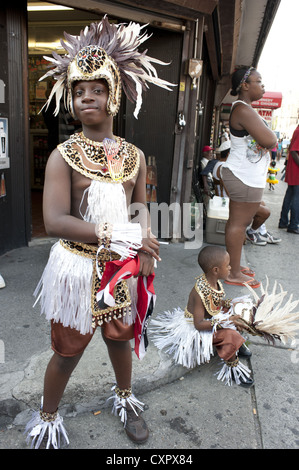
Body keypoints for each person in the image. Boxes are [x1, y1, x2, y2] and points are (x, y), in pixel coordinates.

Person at [25, 17, 174, 449]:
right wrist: (117, 234)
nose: (86, 96)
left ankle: (125, 397)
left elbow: (140, 204)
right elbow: (54, 221)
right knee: (67, 351)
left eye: (97, 88)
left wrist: (144, 240)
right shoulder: (62, 156)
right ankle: (48, 417)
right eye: (78, 89)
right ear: (69, 98)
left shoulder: (134, 155)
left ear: (115, 96)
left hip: (121, 269)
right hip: (76, 268)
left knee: (121, 340)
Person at [150, 245, 253, 387]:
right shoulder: (199, 292)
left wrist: (230, 304)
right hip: (197, 328)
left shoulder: (213, 282)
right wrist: (226, 321)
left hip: (211, 317)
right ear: (216, 270)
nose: (230, 268)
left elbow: (214, 302)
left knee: (240, 312)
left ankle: (237, 345)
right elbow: (198, 324)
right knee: (229, 334)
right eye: (227, 265)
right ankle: (234, 367)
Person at [220, 66, 277, 288]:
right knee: (238, 224)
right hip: (244, 177)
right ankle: (233, 272)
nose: (263, 86)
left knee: (238, 222)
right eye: (259, 81)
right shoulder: (243, 109)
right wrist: (268, 133)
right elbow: (270, 140)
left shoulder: (245, 109)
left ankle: (232, 265)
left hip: (245, 176)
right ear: (245, 85)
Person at [278, 124, 299, 234]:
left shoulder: (297, 130)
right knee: (296, 198)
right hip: (297, 171)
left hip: (294, 170)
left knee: (290, 196)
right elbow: (294, 151)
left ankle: (283, 222)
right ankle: (293, 225)